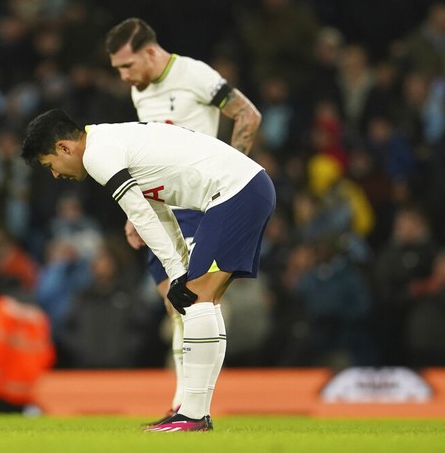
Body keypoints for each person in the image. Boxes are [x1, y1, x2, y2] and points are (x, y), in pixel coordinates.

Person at [20, 109, 275, 432]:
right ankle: (196, 413)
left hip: (235, 193)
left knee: (196, 299)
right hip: (244, 189)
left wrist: (176, 272)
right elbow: (159, 207)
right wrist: (180, 266)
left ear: (64, 148)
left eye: (50, 166)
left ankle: (193, 416)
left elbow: (139, 212)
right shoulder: (110, 140)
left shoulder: (99, 154)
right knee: (203, 301)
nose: (56, 175)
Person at [104, 17, 262, 425]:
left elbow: (248, 116)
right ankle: (183, 404)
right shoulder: (143, 94)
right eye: (118, 70)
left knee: (191, 300)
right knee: (171, 306)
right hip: (161, 208)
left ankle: (186, 405)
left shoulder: (193, 74)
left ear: (151, 52)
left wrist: (233, 168)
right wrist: (137, 213)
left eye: (127, 66)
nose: (124, 77)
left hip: (198, 202)